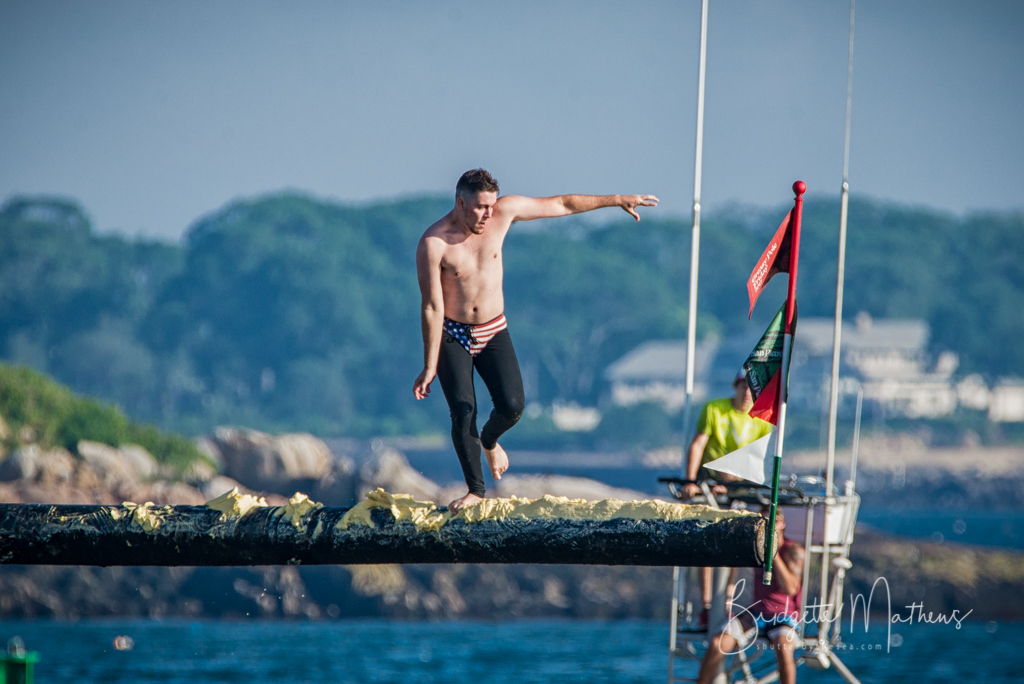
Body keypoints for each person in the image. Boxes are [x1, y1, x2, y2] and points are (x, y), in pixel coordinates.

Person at [413, 168, 658, 513]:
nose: (488, 214)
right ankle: (476, 491)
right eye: (481, 207)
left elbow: (562, 204)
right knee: (464, 411)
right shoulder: (434, 243)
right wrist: (429, 365)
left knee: (512, 407)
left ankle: (489, 440)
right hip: (453, 334)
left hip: (492, 328)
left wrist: (615, 200)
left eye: (492, 206)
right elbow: (432, 306)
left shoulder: (503, 213)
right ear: (461, 203)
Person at [682, 369, 774, 623]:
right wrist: (690, 482)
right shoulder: (714, 409)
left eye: (752, 389)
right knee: (706, 543)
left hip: (739, 484)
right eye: (743, 387)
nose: (747, 394)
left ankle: (726, 605)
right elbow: (698, 445)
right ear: (735, 386)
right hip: (709, 482)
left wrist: (734, 481)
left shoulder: (762, 418)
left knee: (734, 545)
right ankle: (706, 605)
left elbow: (758, 459)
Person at [697, 507, 805, 684]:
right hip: (756, 613)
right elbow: (732, 568)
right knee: (717, 643)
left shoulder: (792, 550)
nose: (771, 526)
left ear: (783, 523)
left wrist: (773, 554)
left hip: (784, 615)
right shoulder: (755, 547)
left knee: (784, 649)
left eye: (775, 521)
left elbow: (791, 588)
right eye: (765, 523)